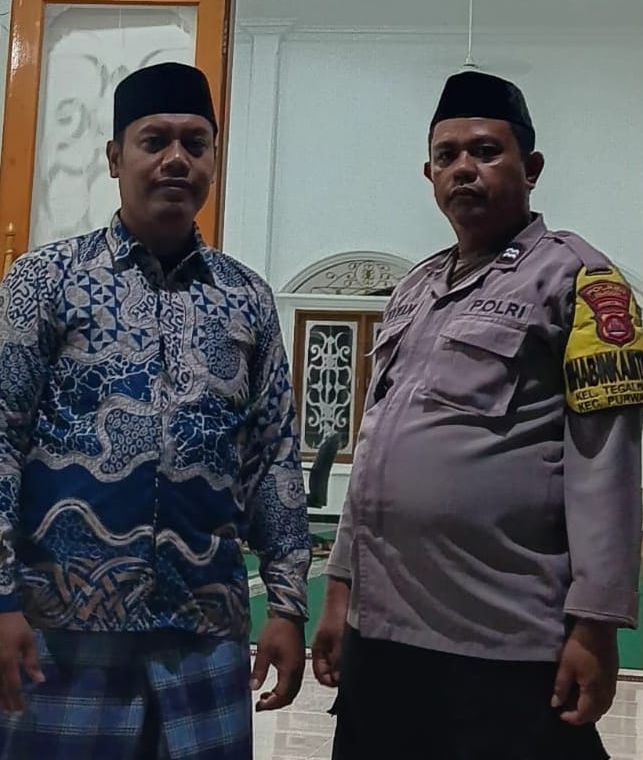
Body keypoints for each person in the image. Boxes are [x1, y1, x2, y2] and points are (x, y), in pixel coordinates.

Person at [313, 70, 643, 760]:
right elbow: (372, 451)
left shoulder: (578, 280)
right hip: (385, 635)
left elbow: (605, 461)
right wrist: (341, 589)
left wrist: (596, 622)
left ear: (531, 167)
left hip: (502, 640)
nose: (464, 168)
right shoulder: (413, 289)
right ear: (429, 174)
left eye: (486, 151)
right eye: (447, 155)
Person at [0, 61, 310, 759]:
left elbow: (272, 457)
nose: (176, 158)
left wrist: (288, 603)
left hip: (204, 631)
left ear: (213, 160)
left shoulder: (246, 298)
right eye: (154, 140)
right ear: (115, 157)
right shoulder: (44, 281)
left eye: (195, 143)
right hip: (61, 632)